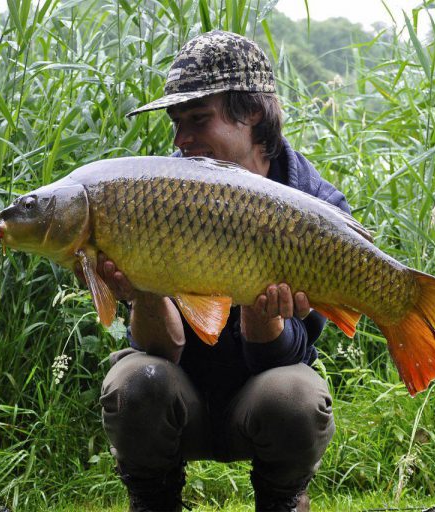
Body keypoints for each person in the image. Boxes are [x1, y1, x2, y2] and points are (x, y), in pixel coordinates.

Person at [90, 30, 352, 512]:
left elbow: (291, 354)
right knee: (135, 380)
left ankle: (282, 501)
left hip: (260, 401)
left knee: (295, 395)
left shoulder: (315, 207)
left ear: (251, 112)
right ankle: (152, 502)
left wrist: (262, 313)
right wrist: (145, 292)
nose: (180, 139)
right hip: (177, 394)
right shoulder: (151, 194)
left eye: (197, 119)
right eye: (175, 122)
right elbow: (159, 348)